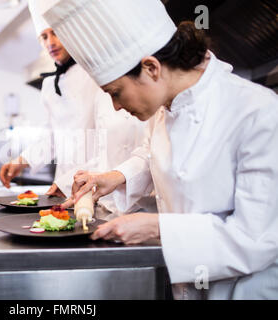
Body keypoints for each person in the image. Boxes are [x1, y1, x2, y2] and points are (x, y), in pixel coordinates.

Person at [43, 0, 278, 299]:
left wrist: (158, 230)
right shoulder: (163, 108)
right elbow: (150, 154)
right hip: (185, 286)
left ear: (151, 68)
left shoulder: (258, 112)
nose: (116, 106)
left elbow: (256, 239)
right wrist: (115, 177)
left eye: (116, 93)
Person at [0, 0, 146, 217]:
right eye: (44, 37)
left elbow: (104, 141)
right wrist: (24, 159)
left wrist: (67, 182)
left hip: (95, 181)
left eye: (55, 33)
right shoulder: (49, 85)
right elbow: (53, 134)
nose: (51, 42)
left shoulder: (95, 75)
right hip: (65, 182)